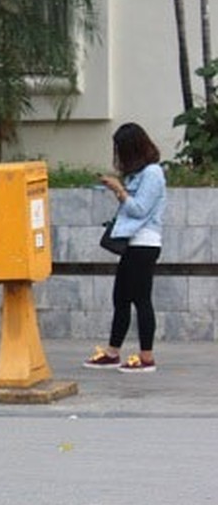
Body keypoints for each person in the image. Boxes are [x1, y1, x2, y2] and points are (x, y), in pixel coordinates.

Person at [83, 122, 167, 373]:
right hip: (132, 244)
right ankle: (112, 352)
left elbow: (140, 209)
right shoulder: (138, 174)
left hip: (145, 243)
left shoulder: (153, 173)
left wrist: (119, 190)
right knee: (121, 297)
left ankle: (146, 357)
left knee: (141, 299)